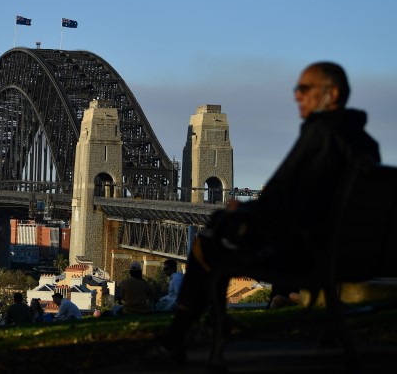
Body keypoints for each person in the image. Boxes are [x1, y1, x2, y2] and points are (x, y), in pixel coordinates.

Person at [144, 61, 381, 365]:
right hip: (351, 257)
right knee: (220, 228)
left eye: (305, 89)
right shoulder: (367, 145)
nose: (297, 95)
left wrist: (243, 209)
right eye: (297, 89)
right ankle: (207, 325)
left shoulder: (320, 133)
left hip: (306, 254)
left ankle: (176, 338)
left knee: (211, 237)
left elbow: (284, 198)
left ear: (332, 94)